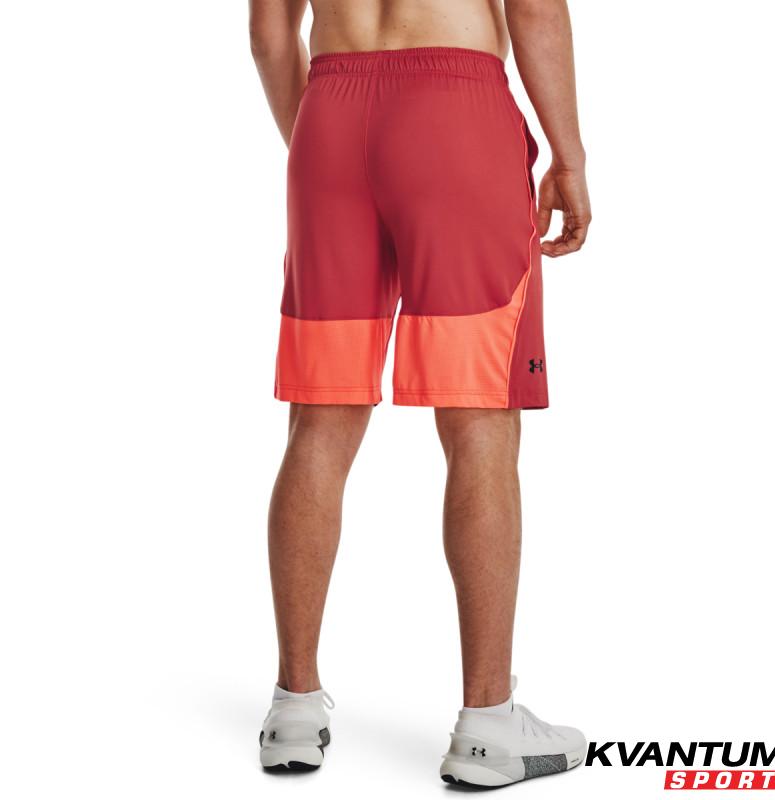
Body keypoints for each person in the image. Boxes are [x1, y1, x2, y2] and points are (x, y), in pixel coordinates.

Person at [249, 0, 591, 787]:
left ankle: (293, 707)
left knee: (319, 422)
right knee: (479, 420)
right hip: (455, 110)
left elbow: (269, 33)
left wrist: (327, 139)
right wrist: (568, 155)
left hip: (331, 115)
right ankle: (487, 725)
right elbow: (534, 7)